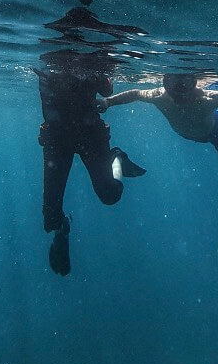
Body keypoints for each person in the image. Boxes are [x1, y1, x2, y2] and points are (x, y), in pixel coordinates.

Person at [36, 49, 145, 276]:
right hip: (56, 140)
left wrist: (97, 71)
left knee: (110, 194)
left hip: (90, 136)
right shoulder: (50, 61)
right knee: (50, 218)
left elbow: (107, 88)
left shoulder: (92, 63)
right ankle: (62, 228)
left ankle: (116, 158)